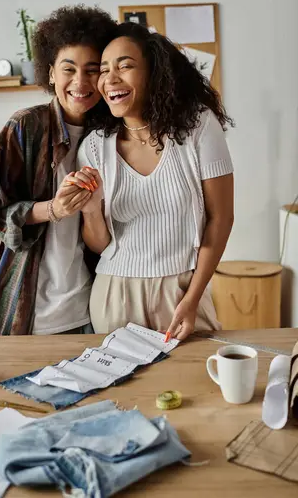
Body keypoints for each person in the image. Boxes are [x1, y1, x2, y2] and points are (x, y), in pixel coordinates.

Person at [75, 22, 234, 340]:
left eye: (125, 66)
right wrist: (92, 209)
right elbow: (100, 245)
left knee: (191, 388)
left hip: (181, 291)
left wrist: (191, 299)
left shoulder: (199, 128)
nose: (111, 79)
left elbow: (221, 218)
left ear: (154, 73)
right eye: (104, 70)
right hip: (114, 294)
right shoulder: (94, 147)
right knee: (124, 392)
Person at [0, 5, 117, 335]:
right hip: (26, 310)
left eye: (92, 70)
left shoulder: (110, 135)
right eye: (69, 69)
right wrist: (54, 208)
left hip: (87, 308)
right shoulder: (25, 127)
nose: (80, 81)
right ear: (50, 73)